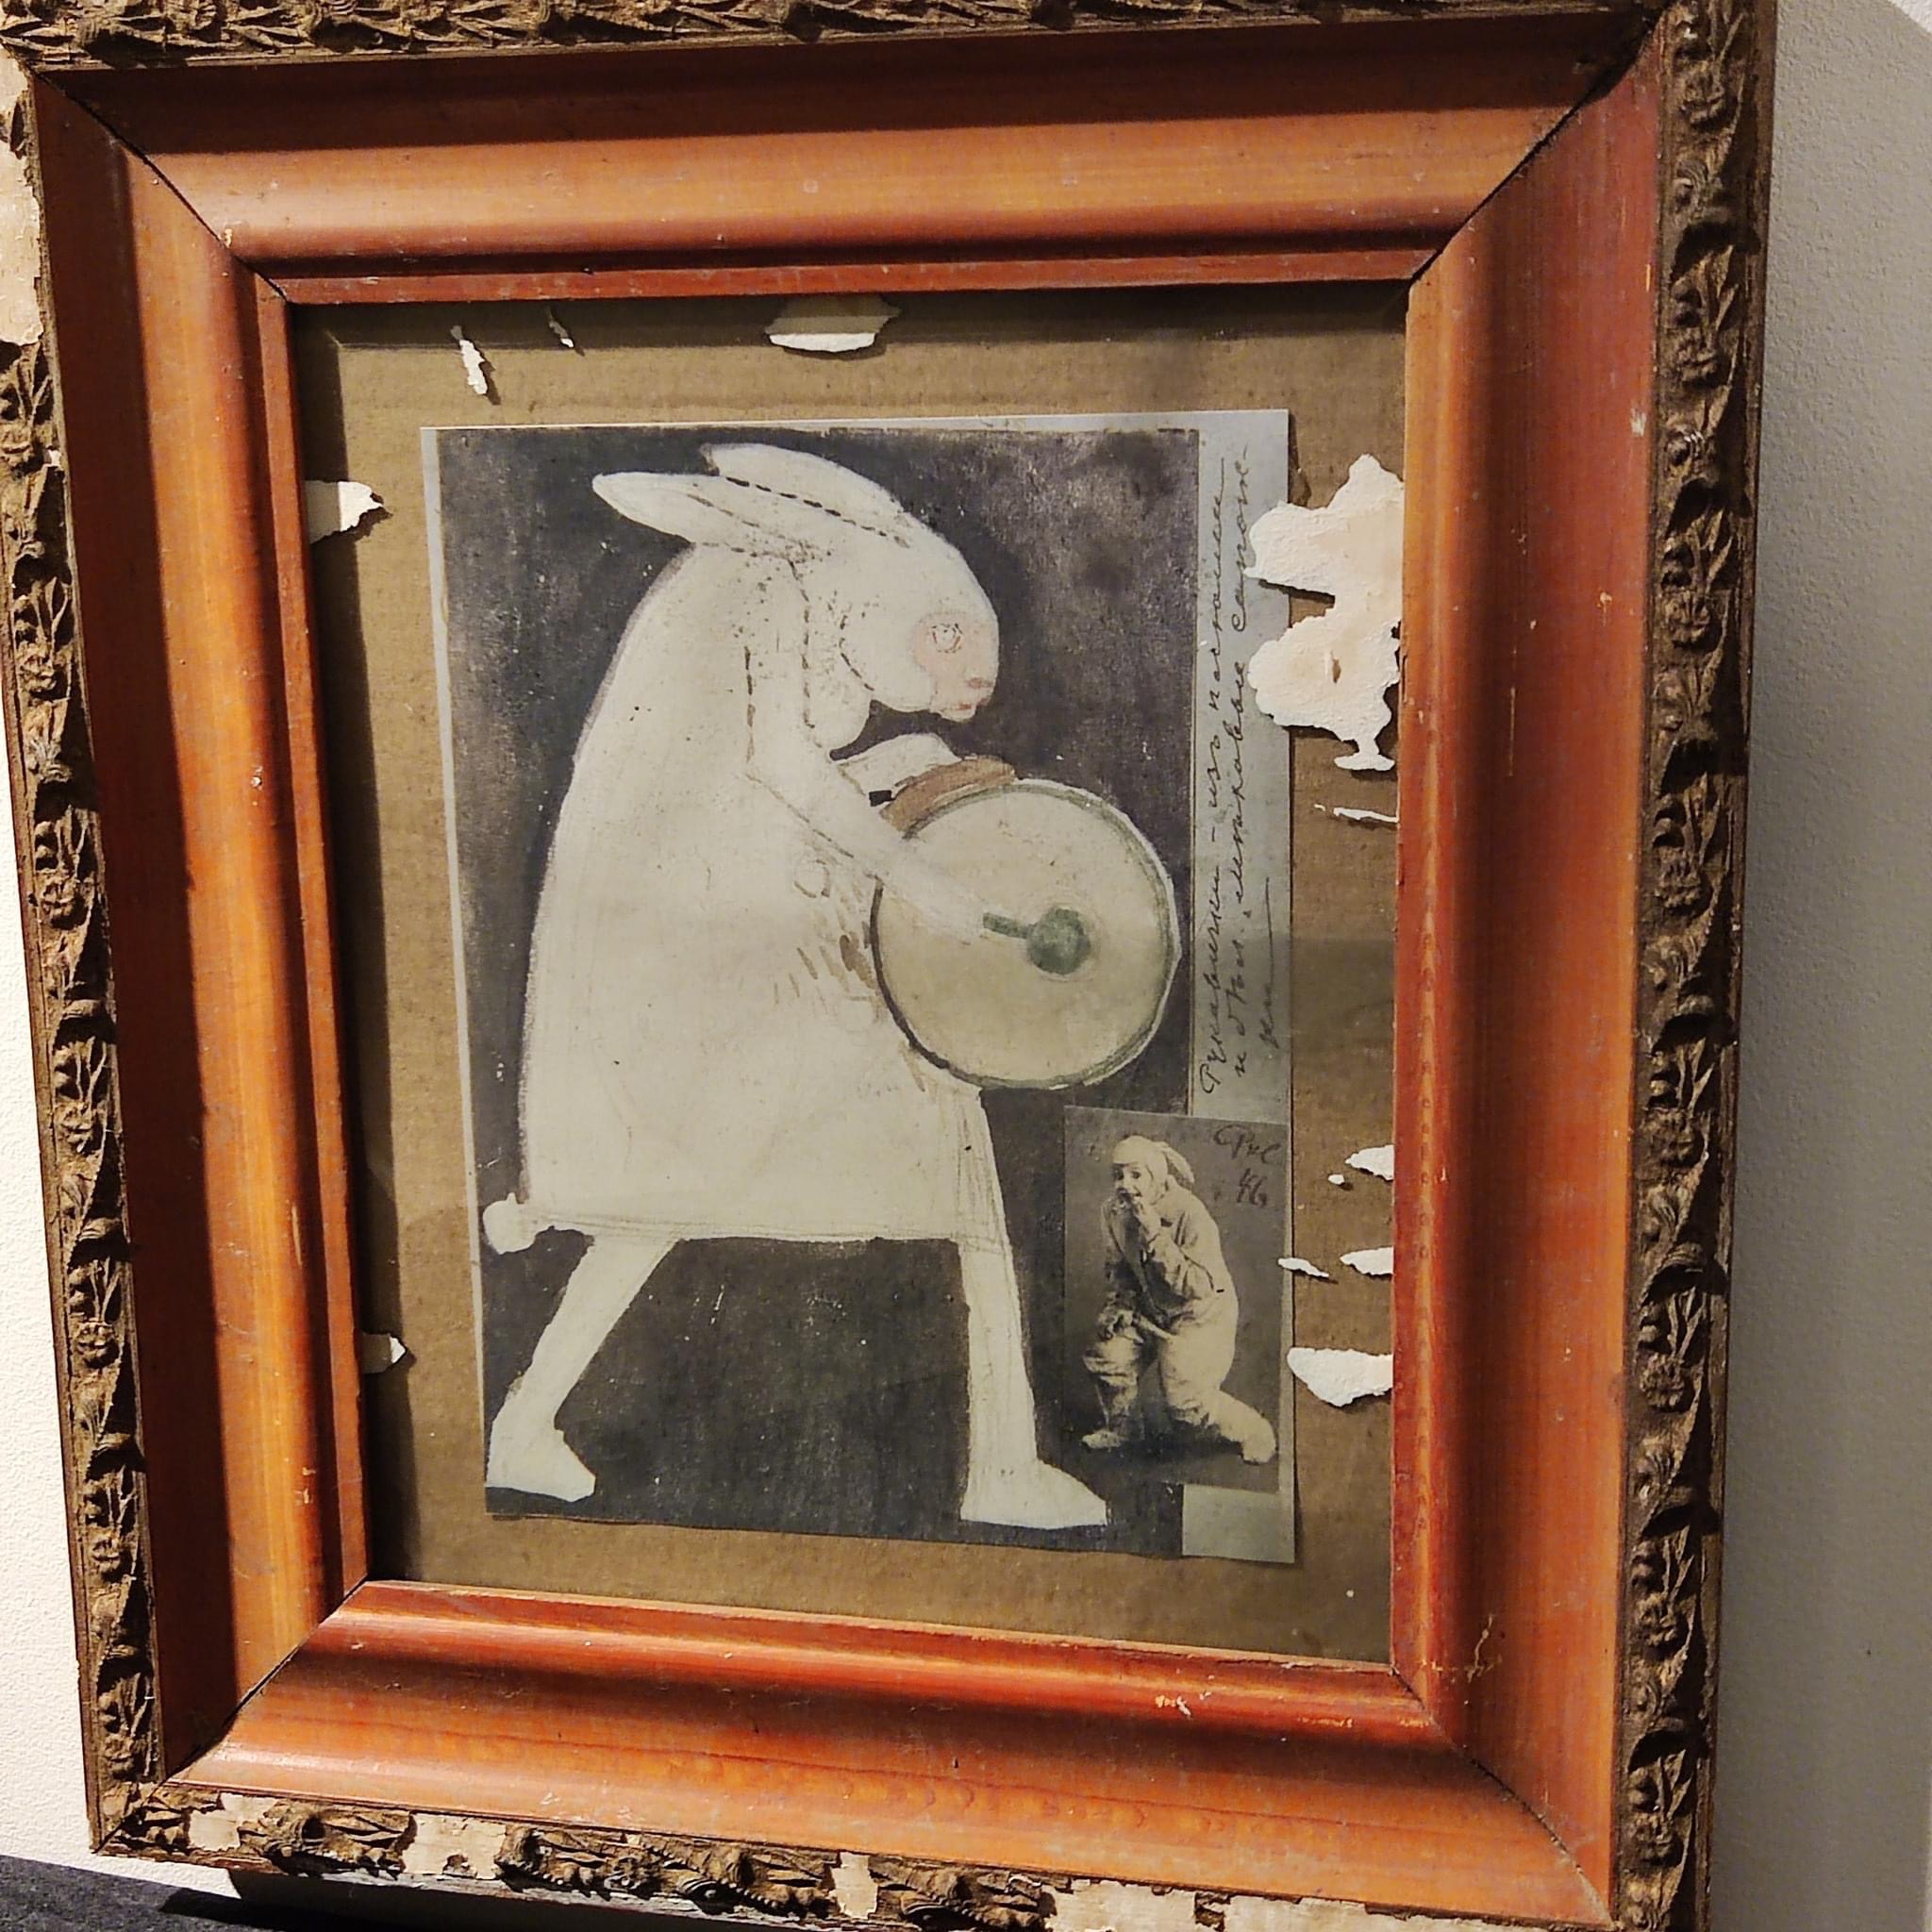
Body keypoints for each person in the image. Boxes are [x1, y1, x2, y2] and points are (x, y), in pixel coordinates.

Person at [480, 442, 1105, 1532]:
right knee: (935, 1143)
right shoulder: (764, 584)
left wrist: (892, 766)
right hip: (707, 923)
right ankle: (1002, 1466)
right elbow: (771, 769)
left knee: (684, 1184)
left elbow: (761, 774)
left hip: (734, 910)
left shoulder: (797, 598)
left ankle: (524, 1419)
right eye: (941, 641)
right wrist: (916, 875)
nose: (948, 672)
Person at [1082, 1136, 1276, 1464]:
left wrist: (1155, 1236)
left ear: (1157, 1177)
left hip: (1198, 1316)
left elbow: (1197, 1285)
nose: (1125, 1185)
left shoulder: (1190, 1214)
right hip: (1150, 1308)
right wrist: (1121, 1303)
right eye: (1118, 1175)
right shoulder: (1112, 1211)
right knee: (1108, 1355)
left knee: (1186, 1407)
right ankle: (1123, 1428)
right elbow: (1119, 1266)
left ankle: (1252, 1429)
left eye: (1136, 1175)